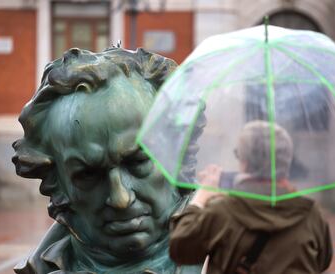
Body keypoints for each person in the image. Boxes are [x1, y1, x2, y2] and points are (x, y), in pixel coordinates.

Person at [12, 47, 202, 274]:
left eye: (138, 162)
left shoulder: (230, 255)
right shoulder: (40, 269)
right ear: (58, 184)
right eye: (88, 175)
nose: (120, 199)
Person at [169, 120, 333, 274]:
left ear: (245, 161)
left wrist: (202, 195)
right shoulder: (312, 215)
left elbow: (179, 248)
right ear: (286, 162)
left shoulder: (223, 212)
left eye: (237, 154)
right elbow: (323, 261)